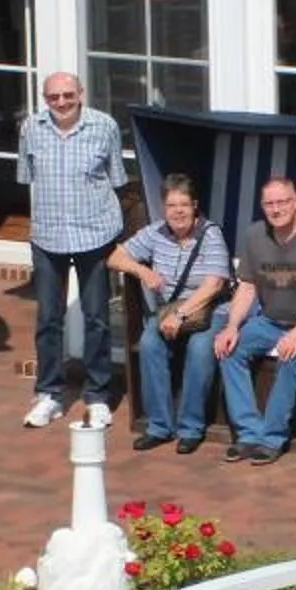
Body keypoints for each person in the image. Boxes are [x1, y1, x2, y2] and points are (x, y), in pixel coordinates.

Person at [17, 71, 126, 430]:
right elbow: (27, 176)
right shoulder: (31, 129)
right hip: (48, 236)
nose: (61, 103)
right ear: (44, 99)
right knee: (48, 318)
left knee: (96, 317)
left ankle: (97, 396)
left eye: (67, 95)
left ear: (81, 93)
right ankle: (49, 394)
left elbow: (116, 180)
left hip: (94, 234)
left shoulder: (104, 126)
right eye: (53, 97)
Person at [116, 172, 231, 453]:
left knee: (201, 347)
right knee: (149, 343)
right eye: (171, 205)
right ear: (163, 208)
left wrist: (180, 316)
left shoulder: (210, 234)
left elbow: (214, 284)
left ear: (195, 205)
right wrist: (142, 269)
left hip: (209, 310)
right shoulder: (155, 233)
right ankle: (159, 426)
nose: (178, 212)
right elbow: (115, 256)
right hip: (170, 310)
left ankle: (191, 428)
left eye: (183, 205)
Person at [216, 174, 296, 465]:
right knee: (229, 350)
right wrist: (232, 327)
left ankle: (272, 438)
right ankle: (249, 434)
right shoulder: (254, 236)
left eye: (283, 202)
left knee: (292, 354)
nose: (276, 209)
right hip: (269, 321)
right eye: (269, 204)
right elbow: (247, 286)